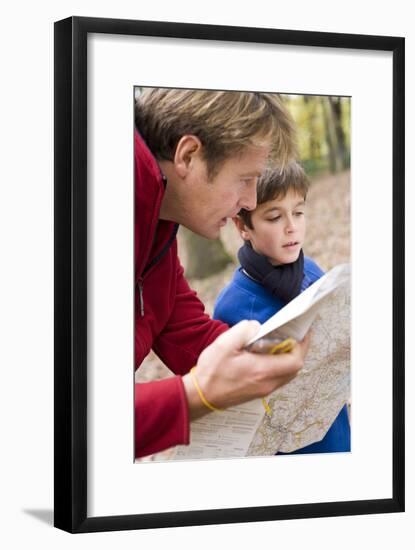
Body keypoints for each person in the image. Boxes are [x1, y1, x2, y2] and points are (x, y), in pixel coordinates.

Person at [134, 88, 310, 458]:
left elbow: (189, 334)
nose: (249, 202)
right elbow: (56, 414)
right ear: (189, 156)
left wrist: (276, 355)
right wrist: (195, 395)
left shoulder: (158, 229)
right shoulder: (80, 207)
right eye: (246, 179)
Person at [213, 162, 351, 453]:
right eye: (274, 217)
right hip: (279, 454)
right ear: (242, 227)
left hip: (335, 437)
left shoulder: (313, 273)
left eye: (299, 212)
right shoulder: (232, 306)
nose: (292, 226)